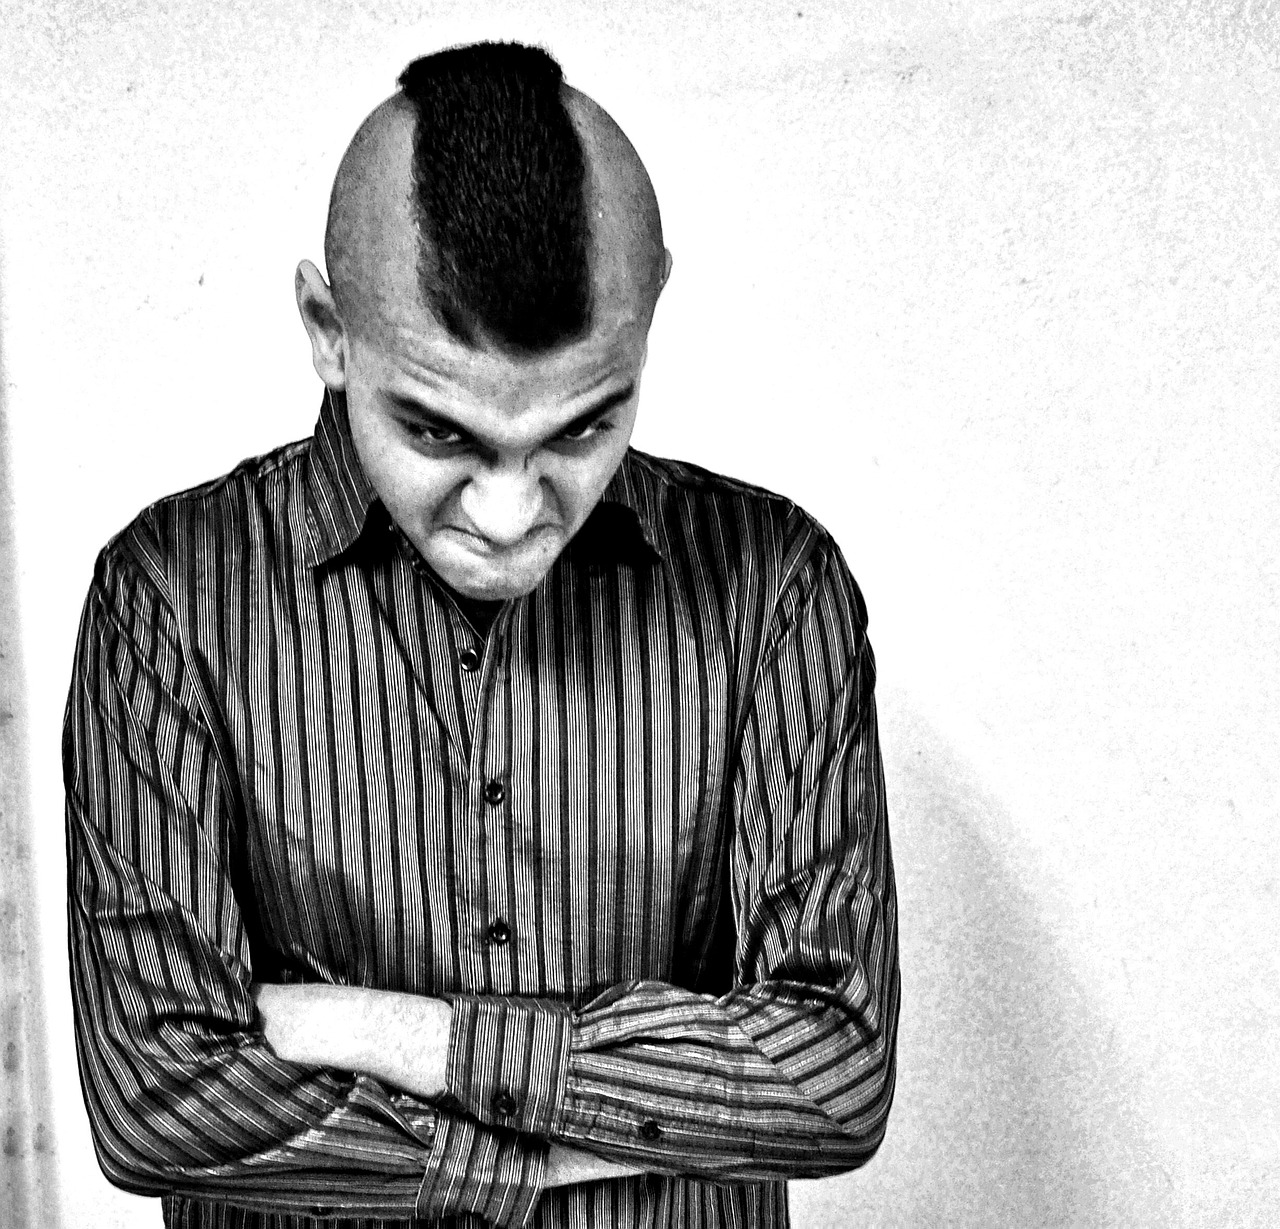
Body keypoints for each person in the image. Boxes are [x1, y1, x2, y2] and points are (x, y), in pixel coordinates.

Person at [63, 41, 899, 1229]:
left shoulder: (773, 586)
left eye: (580, 428)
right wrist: (565, 1145)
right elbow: (159, 1100)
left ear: (650, 314)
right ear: (326, 327)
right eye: (439, 432)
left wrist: (400, 1034)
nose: (510, 513)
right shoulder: (169, 597)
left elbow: (832, 1074)